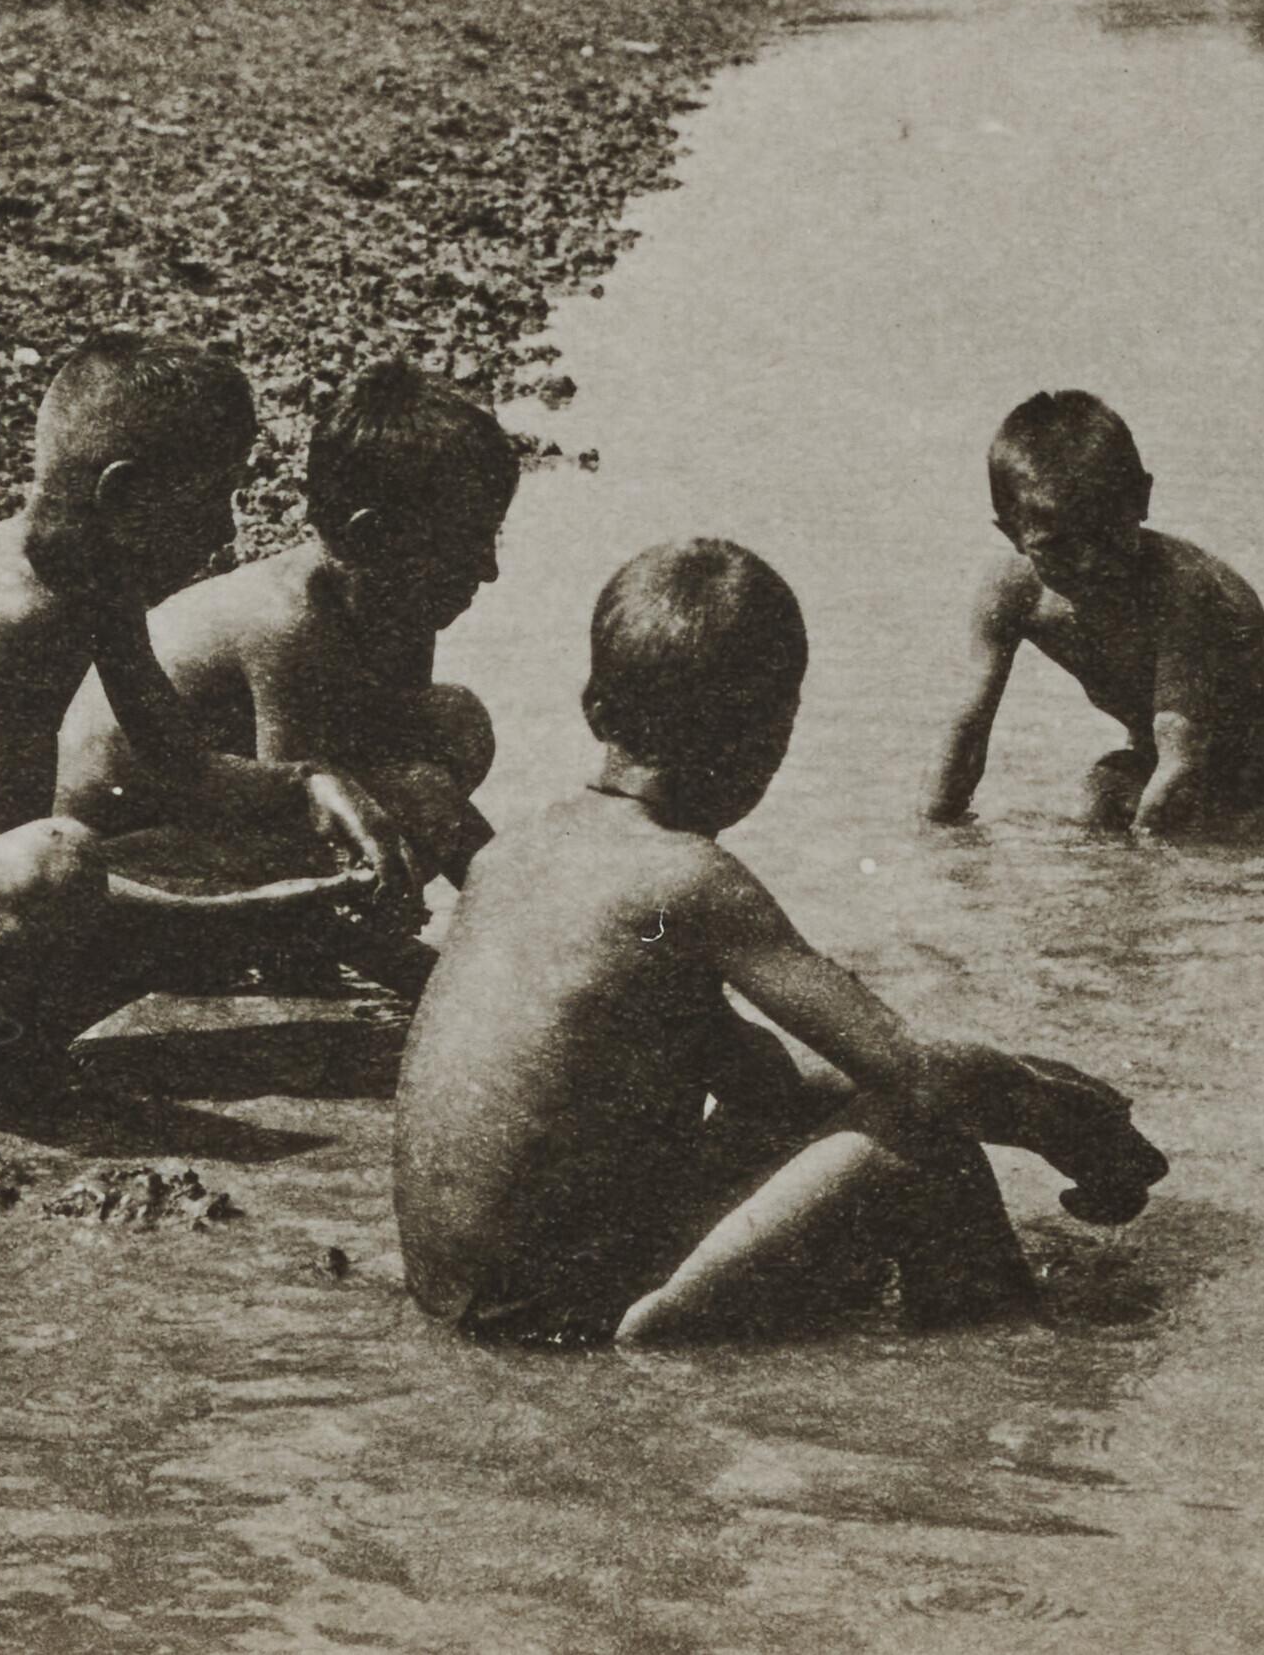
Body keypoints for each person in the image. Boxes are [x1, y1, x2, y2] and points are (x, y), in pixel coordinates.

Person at [396, 538, 1169, 1347]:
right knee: (921, 1144)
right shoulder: (690, 879)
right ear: (775, 735)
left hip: (466, 1298)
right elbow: (920, 1078)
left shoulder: (511, 856)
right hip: (568, 1321)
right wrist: (1065, 1121)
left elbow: (751, 1072)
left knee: (855, 1107)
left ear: (596, 706)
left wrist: (1009, 1080)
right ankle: (1020, 1362)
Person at [0, 334, 411, 1107]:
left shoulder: (95, 576)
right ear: (124, 496)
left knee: (230, 851)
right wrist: (244, 914)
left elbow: (182, 763)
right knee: (68, 857)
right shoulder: (17, 615)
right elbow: (27, 873)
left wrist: (312, 786)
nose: (227, 530)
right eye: (213, 496)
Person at [54, 360, 515, 988]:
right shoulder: (289, 625)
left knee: (453, 722)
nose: (488, 570)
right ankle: (272, 959)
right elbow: (314, 836)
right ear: (373, 538)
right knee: (416, 794)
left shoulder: (391, 600)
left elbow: (420, 796)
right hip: (116, 873)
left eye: (494, 538)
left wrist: (519, 904)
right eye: (466, 543)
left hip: (204, 821)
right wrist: (448, 984)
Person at [922, 390, 1264, 832]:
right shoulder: (1009, 590)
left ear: (1143, 499)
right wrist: (934, 835)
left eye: (1107, 535)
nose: (1090, 563)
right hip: (1176, 757)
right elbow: (968, 725)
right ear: (1012, 534)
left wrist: (1150, 868)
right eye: (1057, 548)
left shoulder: (1179, 589)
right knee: (1098, 801)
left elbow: (1181, 758)